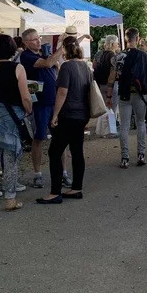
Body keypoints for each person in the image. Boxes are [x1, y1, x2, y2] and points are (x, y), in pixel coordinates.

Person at [0, 34, 33, 211]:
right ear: (12, 49)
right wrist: (27, 110)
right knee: (10, 158)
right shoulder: (18, 68)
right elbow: (25, 96)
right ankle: (10, 199)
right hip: (11, 117)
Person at [37, 37, 93, 204]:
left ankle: (55, 192)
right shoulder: (86, 67)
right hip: (82, 114)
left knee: (54, 151)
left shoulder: (67, 67)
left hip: (68, 113)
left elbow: (62, 92)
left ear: (65, 50)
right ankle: (76, 187)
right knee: (77, 151)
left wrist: (55, 114)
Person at [19, 28, 70, 189]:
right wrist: (64, 46)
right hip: (40, 103)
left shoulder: (43, 53)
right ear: (26, 43)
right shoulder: (26, 56)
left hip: (54, 101)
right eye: (34, 39)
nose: (38, 41)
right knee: (39, 137)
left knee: (60, 138)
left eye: (38, 38)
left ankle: (63, 173)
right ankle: (37, 174)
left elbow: (54, 67)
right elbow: (48, 63)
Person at [108, 28, 147, 168]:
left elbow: (112, 76)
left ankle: (125, 157)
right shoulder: (145, 56)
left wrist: (109, 95)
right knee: (141, 123)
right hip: (140, 94)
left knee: (124, 126)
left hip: (124, 94)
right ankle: (141, 155)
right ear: (138, 38)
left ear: (125, 39)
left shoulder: (118, 57)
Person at [92, 34, 119, 134]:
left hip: (100, 84)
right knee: (112, 107)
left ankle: (101, 130)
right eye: (116, 43)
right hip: (111, 85)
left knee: (103, 107)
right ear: (112, 44)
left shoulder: (98, 54)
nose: (118, 45)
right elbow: (114, 72)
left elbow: (94, 67)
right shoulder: (114, 56)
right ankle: (111, 130)